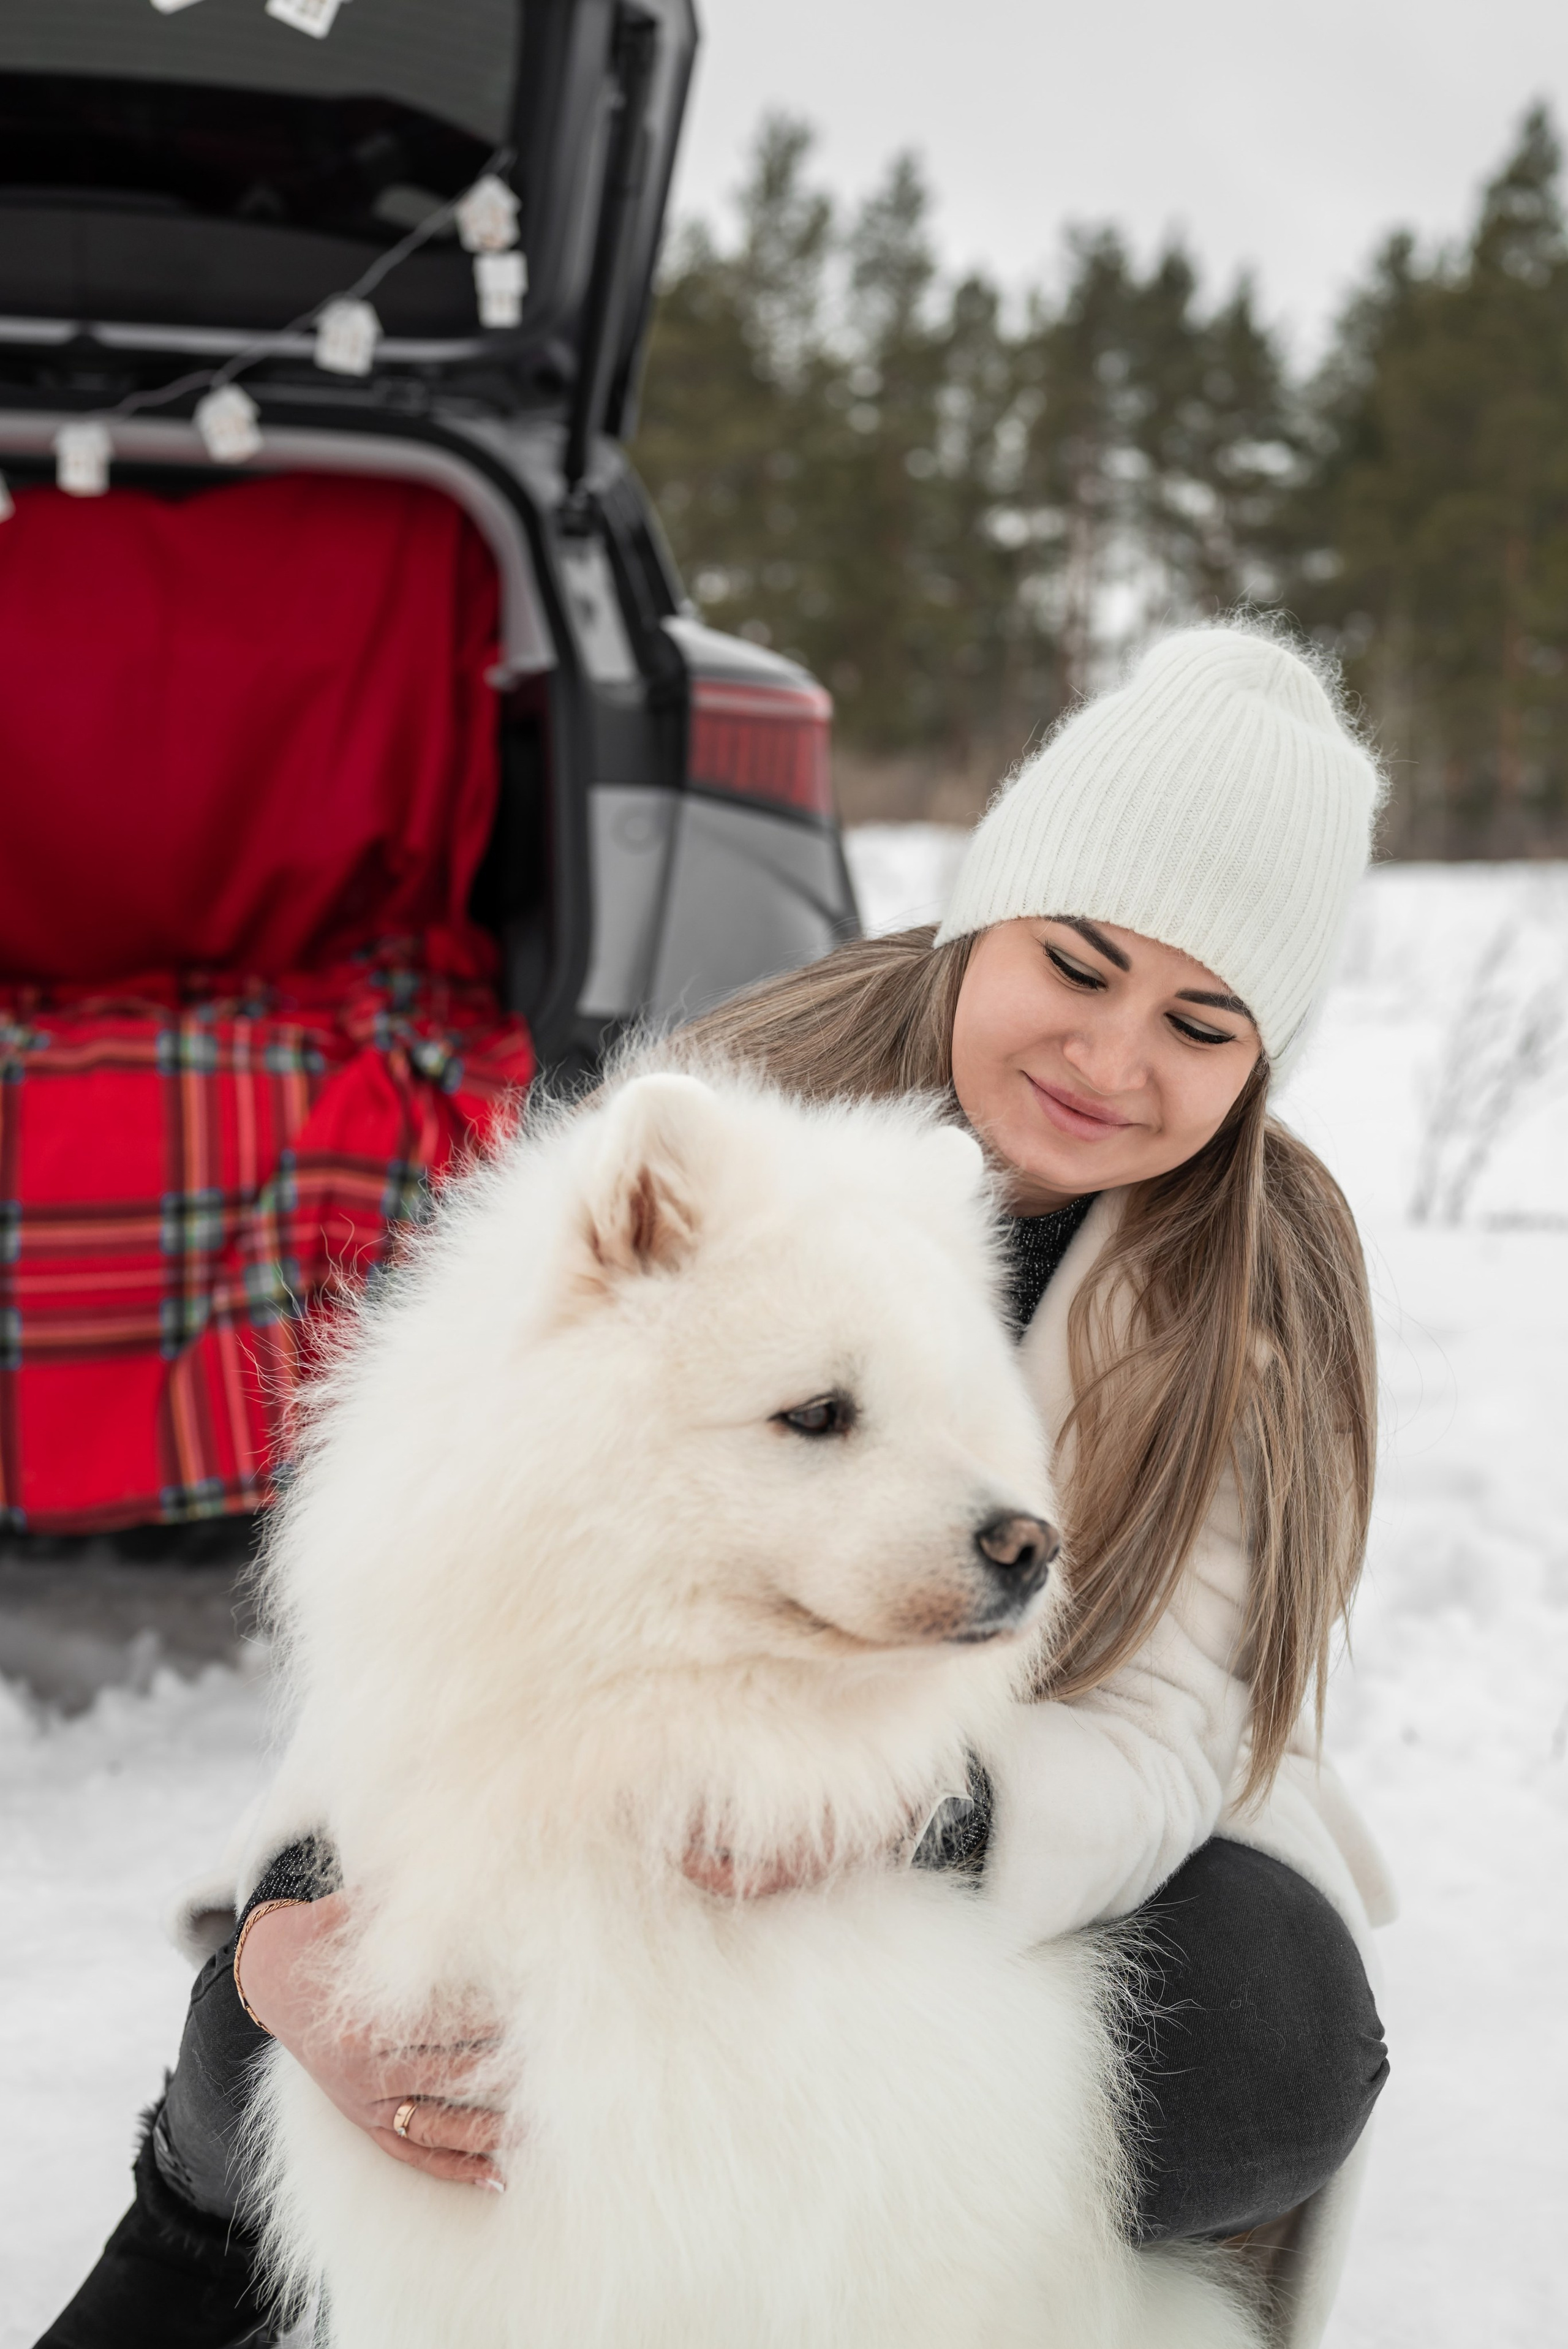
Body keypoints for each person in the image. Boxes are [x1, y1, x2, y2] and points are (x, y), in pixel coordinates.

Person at [39, 620, 1393, 2349]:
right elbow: (449, 1569)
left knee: (1268, 2035)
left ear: (1258, 1060)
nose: (1114, 1057)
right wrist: (289, 1920)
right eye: (1079, 962)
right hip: (664, 1721)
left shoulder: (1255, 1281)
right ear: (988, 918)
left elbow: (1177, 1720)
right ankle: (202, 2240)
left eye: (1202, 1022)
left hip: (1047, 1786)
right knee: (313, 2000)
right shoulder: (737, 1111)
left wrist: (912, 1813)